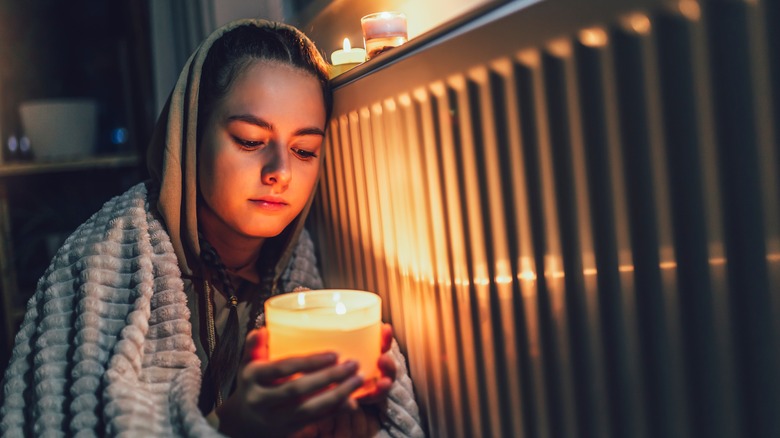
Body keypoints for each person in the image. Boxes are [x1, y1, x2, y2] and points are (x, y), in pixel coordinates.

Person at [0, 19, 424, 437]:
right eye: (249, 140)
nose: (280, 172)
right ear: (192, 136)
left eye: (304, 150)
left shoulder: (302, 278)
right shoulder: (103, 266)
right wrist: (233, 427)